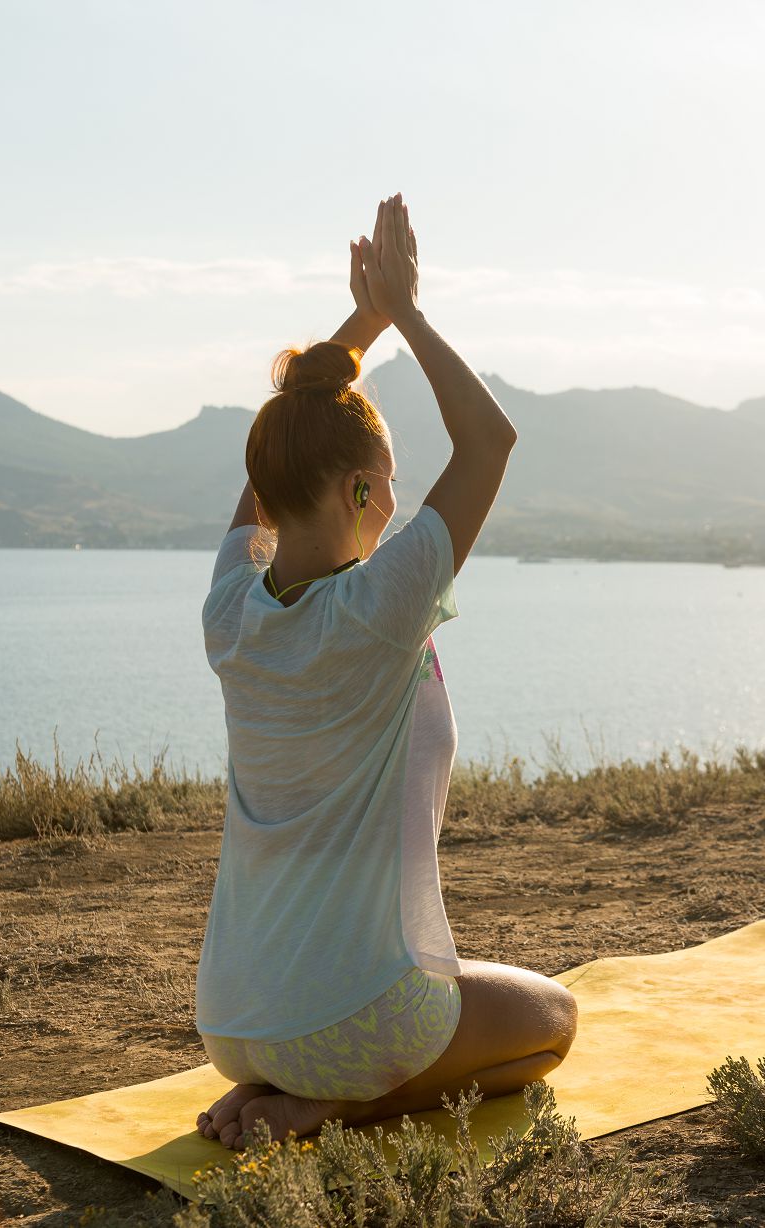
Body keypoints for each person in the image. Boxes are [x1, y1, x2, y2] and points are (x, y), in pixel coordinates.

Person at [193, 193, 578, 1150]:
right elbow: (491, 441)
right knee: (551, 1024)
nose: (399, 501)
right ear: (364, 489)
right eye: (391, 481)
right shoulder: (380, 606)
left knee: (443, 993)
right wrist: (401, 310)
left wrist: (353, 336)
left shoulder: (230, 613)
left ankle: (278, 1089)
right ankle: (338, 1103)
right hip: (350, 1024)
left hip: (231, 1027)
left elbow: (273, 463)